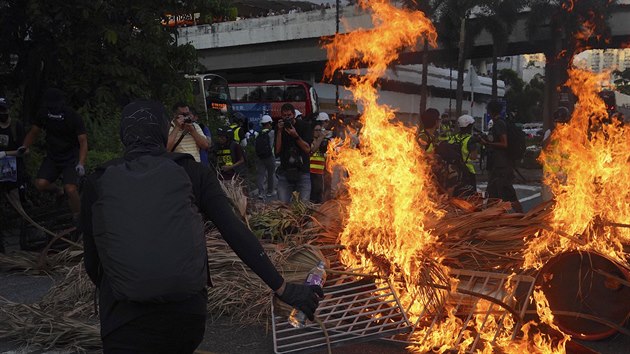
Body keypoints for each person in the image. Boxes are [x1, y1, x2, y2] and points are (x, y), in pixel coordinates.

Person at [80, 100, 323, 353]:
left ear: (123, 136)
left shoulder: (98, 181)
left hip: (125, 322)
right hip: (185, 318)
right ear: (165, 132)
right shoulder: (193, 172)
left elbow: (93, 262)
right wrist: (282, 287)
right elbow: (234, 232)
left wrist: (129, 283)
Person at [20, 88, 87, 221]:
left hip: (70, 157)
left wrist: (81, 163)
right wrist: (24, 146)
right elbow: (34, 132)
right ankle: (58, 191)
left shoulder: (72, 116)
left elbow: (83, 141)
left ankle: (79, 218)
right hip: (53, 155)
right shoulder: (44, 114)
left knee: (71, 189)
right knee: (40, 184)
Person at [480, 101, 523, 213]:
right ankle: (497, 220)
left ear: (490, 111)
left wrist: (488, 144)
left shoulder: (499, 124)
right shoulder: (498, 123)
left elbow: (504, 143)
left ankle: (522, 217)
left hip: (501, 167)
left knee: (504, 194)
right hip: (499, 165)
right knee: (496, 195)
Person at [275, 103, 312, 203]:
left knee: (303, 206)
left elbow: (307, 149)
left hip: (303, 171)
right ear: (281, 116)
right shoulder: (279, 128)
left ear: (294, 115)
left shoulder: (304, 126)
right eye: (284, 116)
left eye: (289, 115)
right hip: (285, 171)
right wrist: (279, 132)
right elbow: (277, 151)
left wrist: (295, 136)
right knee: (282, 205)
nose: (287, 118)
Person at [541, 106, 571, 202]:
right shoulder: (550, 132)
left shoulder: (573, 134)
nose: (562, 125)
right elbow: (544, 148)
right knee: (548, 203)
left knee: (565, 203)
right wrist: (554, 134)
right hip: (550, 174)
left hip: (566, 174)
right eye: (559, 122)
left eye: (564, 122)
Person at [452, 114, 479, 196]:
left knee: (457, 195)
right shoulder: (470, 139)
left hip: (455, 170)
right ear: (469, 126)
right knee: (470, 196)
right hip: (468, 171)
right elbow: (473, 157)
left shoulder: (454, 137)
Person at [255, 115, 275, 199]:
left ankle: (261, 193)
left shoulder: (257, 134)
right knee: (271, 174)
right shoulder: (272, 133)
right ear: (269, 123)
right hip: (270, 157)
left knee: (261, 175)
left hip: (260, 157)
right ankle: (270, 192)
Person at [309, 123, 329, 204]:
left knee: (319, 195)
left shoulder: (323, 143)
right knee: (312, 195)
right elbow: (312, 151)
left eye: (320, 130)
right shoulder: (310, 141)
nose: (318, 132)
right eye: (316, 130)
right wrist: (320, 138)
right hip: (311, 172)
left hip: (320, 173)